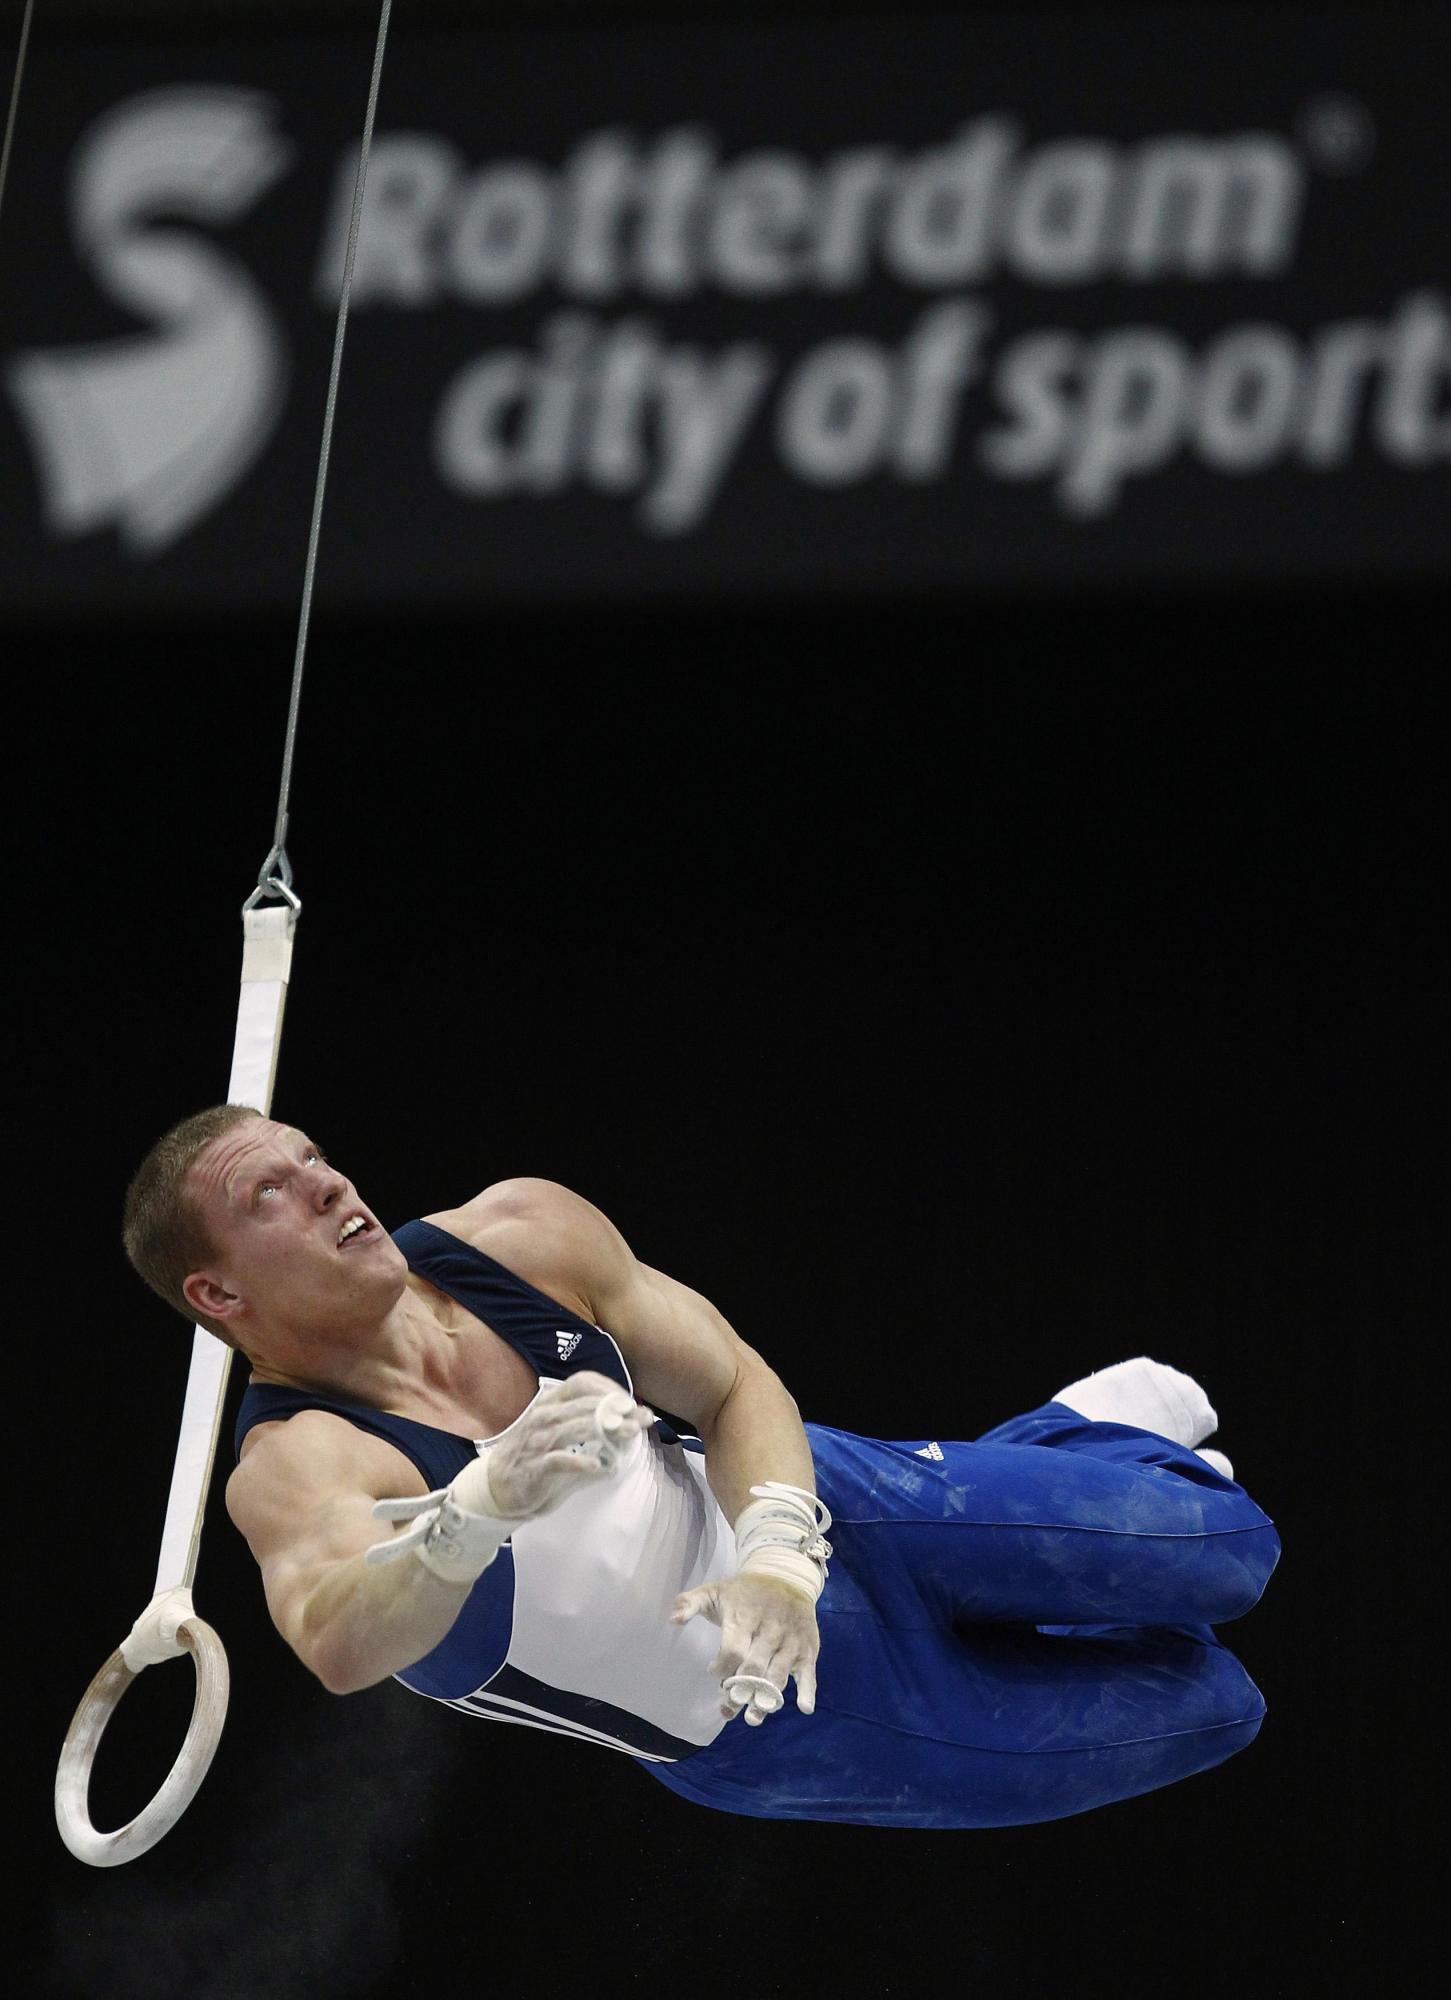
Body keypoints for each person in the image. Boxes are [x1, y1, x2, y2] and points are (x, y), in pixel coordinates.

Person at [121, 1104, 1281, 1830]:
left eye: (312, 1155)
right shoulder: (301, 1460)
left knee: (1232, 1551)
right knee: (1216, 1705)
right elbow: (338, 1640)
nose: (327, 1181)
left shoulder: (516, 1236)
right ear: (218, 1296)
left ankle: (1075, 1434)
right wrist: (469, 1509)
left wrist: (777, 1556)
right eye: (267, 1191)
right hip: (775, 1716)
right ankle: (1046, 1447)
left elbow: (731, 1381)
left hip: (832, 1511)